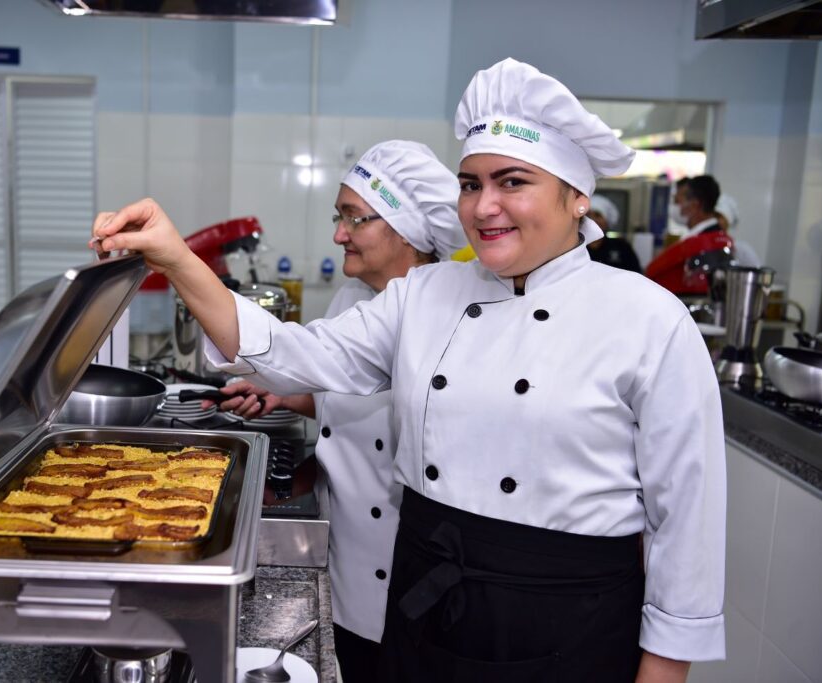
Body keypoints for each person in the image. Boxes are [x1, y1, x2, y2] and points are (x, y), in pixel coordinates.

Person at [92, 58, 726, 683]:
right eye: (471, 183)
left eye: (512, 182)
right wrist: (176, 257)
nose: (484, 207)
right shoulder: (426, 293)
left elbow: (687, 528)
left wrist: (664, 672)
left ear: (577, 195)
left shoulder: (649, 319)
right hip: (423, 601)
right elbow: (288, 356)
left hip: (564, 619)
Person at [212, 140, 467, 683]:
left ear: (406, 231)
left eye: (355, 218)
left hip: (402, 575)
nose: (338, 233)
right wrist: (287, 400)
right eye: (339, 215)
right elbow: (348, 403)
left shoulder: (442, 322)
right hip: (341, 549)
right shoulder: (353, 296)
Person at [586, 193, 643, 273]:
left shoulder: (621, 247)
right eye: (588, 215)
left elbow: (636, 275)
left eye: (598, 215)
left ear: (607, 221)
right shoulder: (574, 247)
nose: (592, 219)